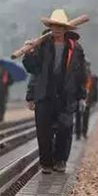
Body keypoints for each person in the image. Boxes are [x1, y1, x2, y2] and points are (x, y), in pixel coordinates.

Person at [22, 9, 87, 174]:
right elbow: (33, 70)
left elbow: (80, 73)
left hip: (66, 95)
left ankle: (60, 160)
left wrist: (81, 96)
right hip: (45, 93)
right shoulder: (42, 45)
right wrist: (28, 53)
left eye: (59, 26)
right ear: (50, 27)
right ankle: (46, 163)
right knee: (44, 131)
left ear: (66, 29)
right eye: (53, 26)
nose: (56, 29)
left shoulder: (75, 48)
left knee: (65, 129)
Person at [75, 61, 98, 140]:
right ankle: (78, 133)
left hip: (88, 98)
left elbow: (95, 89)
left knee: (86, 116)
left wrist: (95, 99)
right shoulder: (78, 76)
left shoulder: (92, 78)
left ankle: (84, 132)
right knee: (78, 116)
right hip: (80, 98)